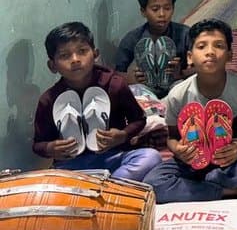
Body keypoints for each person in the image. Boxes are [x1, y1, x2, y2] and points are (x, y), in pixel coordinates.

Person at [143, 19, 237, 203]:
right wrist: (179, 150)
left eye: (219, 46)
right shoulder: (178, 95)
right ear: (190, 57)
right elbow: (172, 136)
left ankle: (202, 186)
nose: (210, 52)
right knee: (154, 184)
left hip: (232, 160)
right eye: (202, 46)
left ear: (229, 55)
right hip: (194, 160)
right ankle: (233, 191)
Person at [33, 22, 161, 181]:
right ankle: (111, 188)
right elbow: (38, 144)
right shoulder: (49, 100)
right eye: (65, 55)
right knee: (48, 181)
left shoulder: (115, 84)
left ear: (95, 54)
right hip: (72, 166)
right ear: (52, 66)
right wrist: (50, 148)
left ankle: (109, 186)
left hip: (113, 158)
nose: (75, 60)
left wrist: (121, 135)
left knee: (151, 157)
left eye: (82, 51)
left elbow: (139, 120)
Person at [114, 0, 191, 98]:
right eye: (155, 9)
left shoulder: (186, 34)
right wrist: (131, 78)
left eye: (167, 8)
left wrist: (181, 73)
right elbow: (116, 75)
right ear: (143, 11)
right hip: (146, 90)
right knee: (133, 92)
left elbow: (203, 69)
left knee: (186, 89)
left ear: (173, 8)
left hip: (176, 85)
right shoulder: (132, 39)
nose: (162, 14)